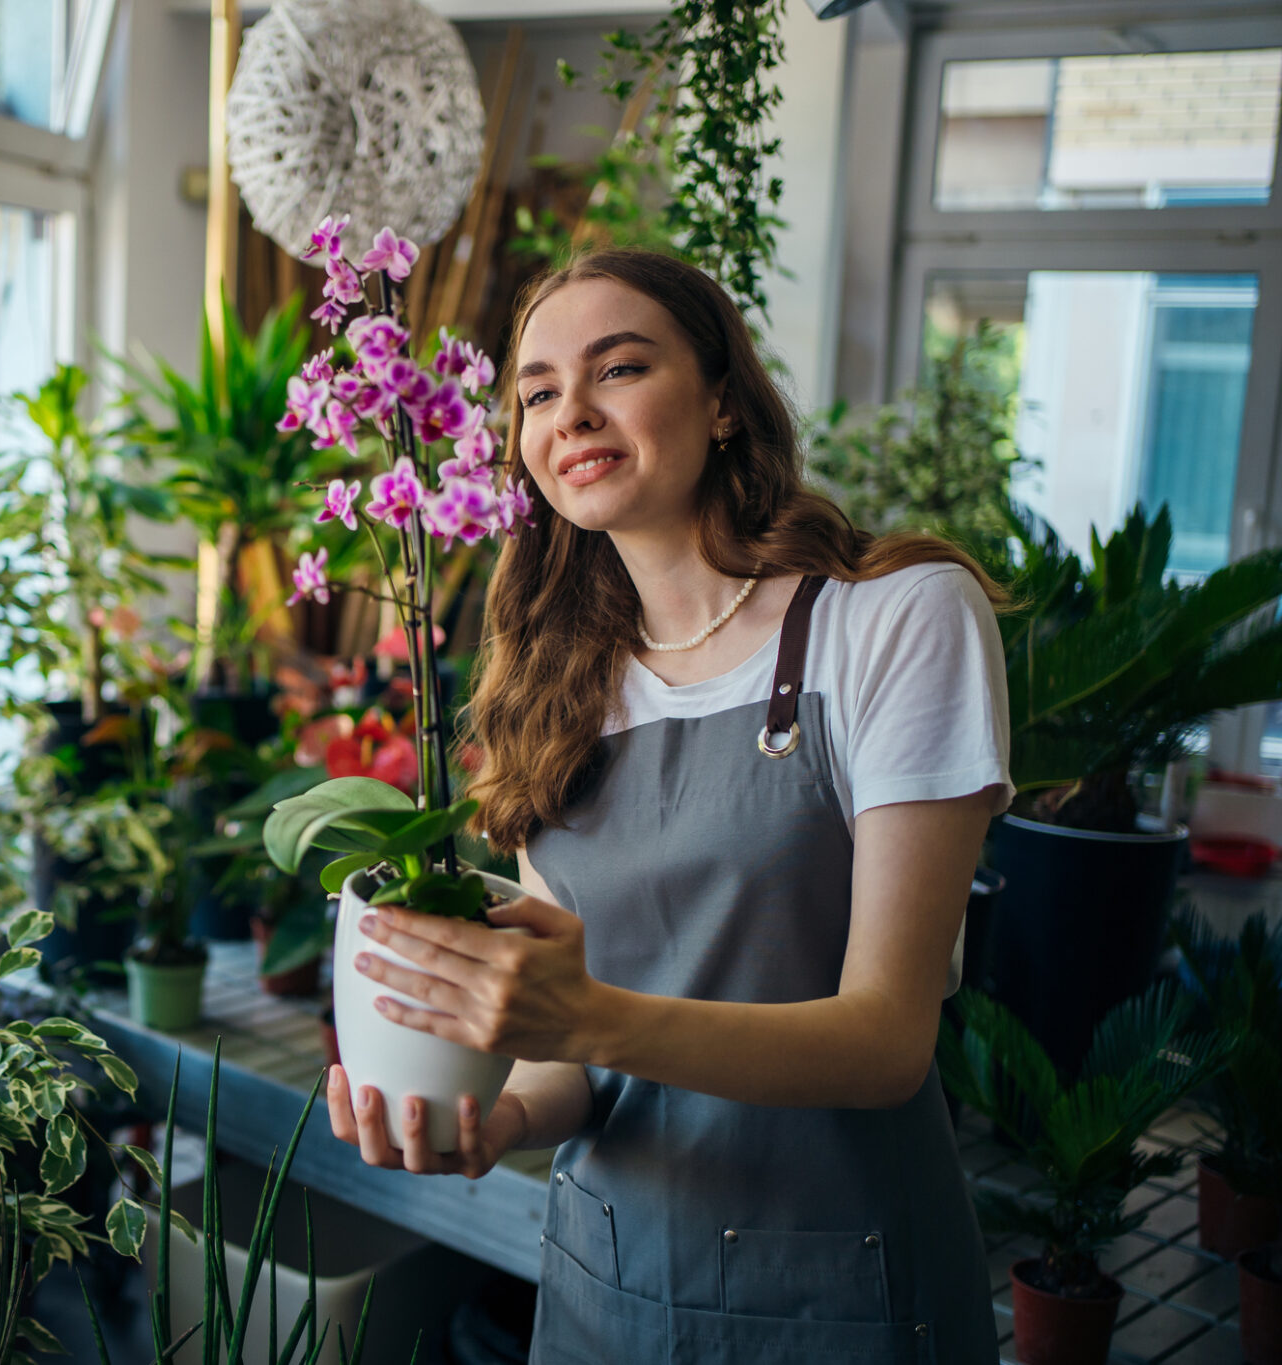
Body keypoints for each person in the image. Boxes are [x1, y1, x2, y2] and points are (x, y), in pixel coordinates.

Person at [323, 248, 1009, 1363]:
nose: (570, 412)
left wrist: (578, 1017)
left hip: (838, 1288)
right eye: (536, 392)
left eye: (619, 369)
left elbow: (885, 1038)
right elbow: (573, 1068)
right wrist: (491, 1121)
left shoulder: (891, 619)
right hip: (608, 1285)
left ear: (725, 403)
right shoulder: (552, 689)